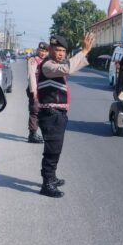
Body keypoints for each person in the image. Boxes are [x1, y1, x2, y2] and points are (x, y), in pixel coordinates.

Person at [37, 33, 95, 198]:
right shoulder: (48, 66)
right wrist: (84, 51)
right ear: (50, 49)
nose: (61, 53)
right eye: (58, 50)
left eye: (63, 50)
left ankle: (52, 177)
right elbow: (68, 68)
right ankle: (47, 184)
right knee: (52, 150)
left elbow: (68, 67)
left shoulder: (55, 64)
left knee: (56, 149)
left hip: (58, 114)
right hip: (51, 114)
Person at [26, 42, 49, 143]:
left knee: (45, 112)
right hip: (35, 90)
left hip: (45, 90)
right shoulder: (33, 60)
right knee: (35, 112)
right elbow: (31, 76)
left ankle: (43, 133)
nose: (43, 53)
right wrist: (34, 91)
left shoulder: (48, 61)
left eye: (45, 51)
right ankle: (32, 135)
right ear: (38, 50)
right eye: (41, 51)